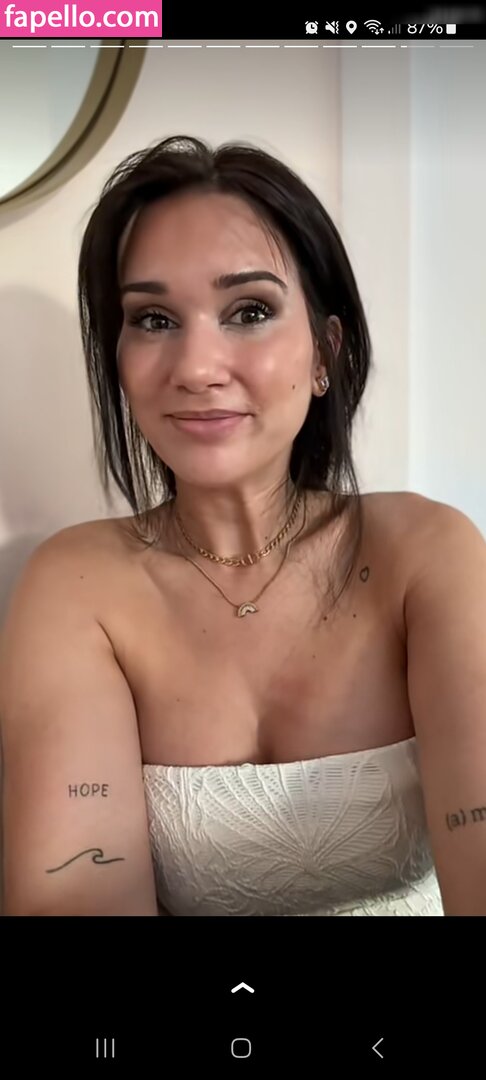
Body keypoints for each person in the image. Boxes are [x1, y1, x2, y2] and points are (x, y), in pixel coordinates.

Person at [1, 135, 485, 917]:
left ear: (325, 352)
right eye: (153, 318)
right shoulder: (77, 587)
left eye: (250, 310)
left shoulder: (426, 555)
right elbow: (76, 895)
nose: (196, 367)